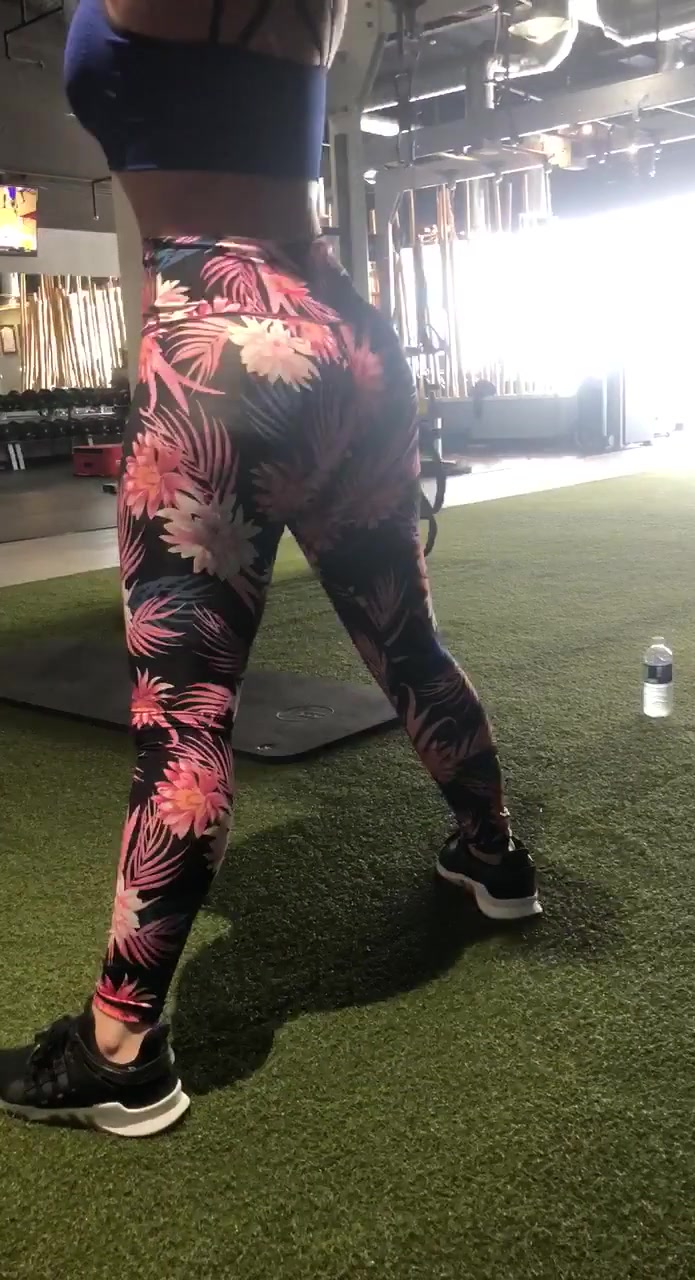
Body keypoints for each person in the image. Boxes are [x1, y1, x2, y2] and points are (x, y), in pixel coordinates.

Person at [0, 0, 540, 1138]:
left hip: (217, 349)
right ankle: (496, 857)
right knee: (407, 640)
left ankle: (120, 1049)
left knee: (185, 714)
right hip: (346, 335)